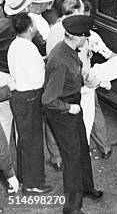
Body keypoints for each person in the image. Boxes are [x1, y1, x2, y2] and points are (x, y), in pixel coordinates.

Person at [42, 15, 103, 213]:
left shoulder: (68, 50)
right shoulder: (60, 59)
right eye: (85, 37)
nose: (87, 40)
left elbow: (72, 75)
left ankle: (87, 187)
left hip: (73, 105)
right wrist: (69, 108)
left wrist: (85, 78)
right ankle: (72, 207)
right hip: (62, 112)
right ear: (77, 37)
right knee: (72, 158)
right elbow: (48, 100)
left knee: (82, 149)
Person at [8, 12, 54, 195]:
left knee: (24, 141)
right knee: (33, 142)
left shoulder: (15, 45)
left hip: (18, 96)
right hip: (30, 97)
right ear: (29, 29)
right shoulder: (29, 48)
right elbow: (37, 80)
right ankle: (33, 184)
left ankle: (24, 178)